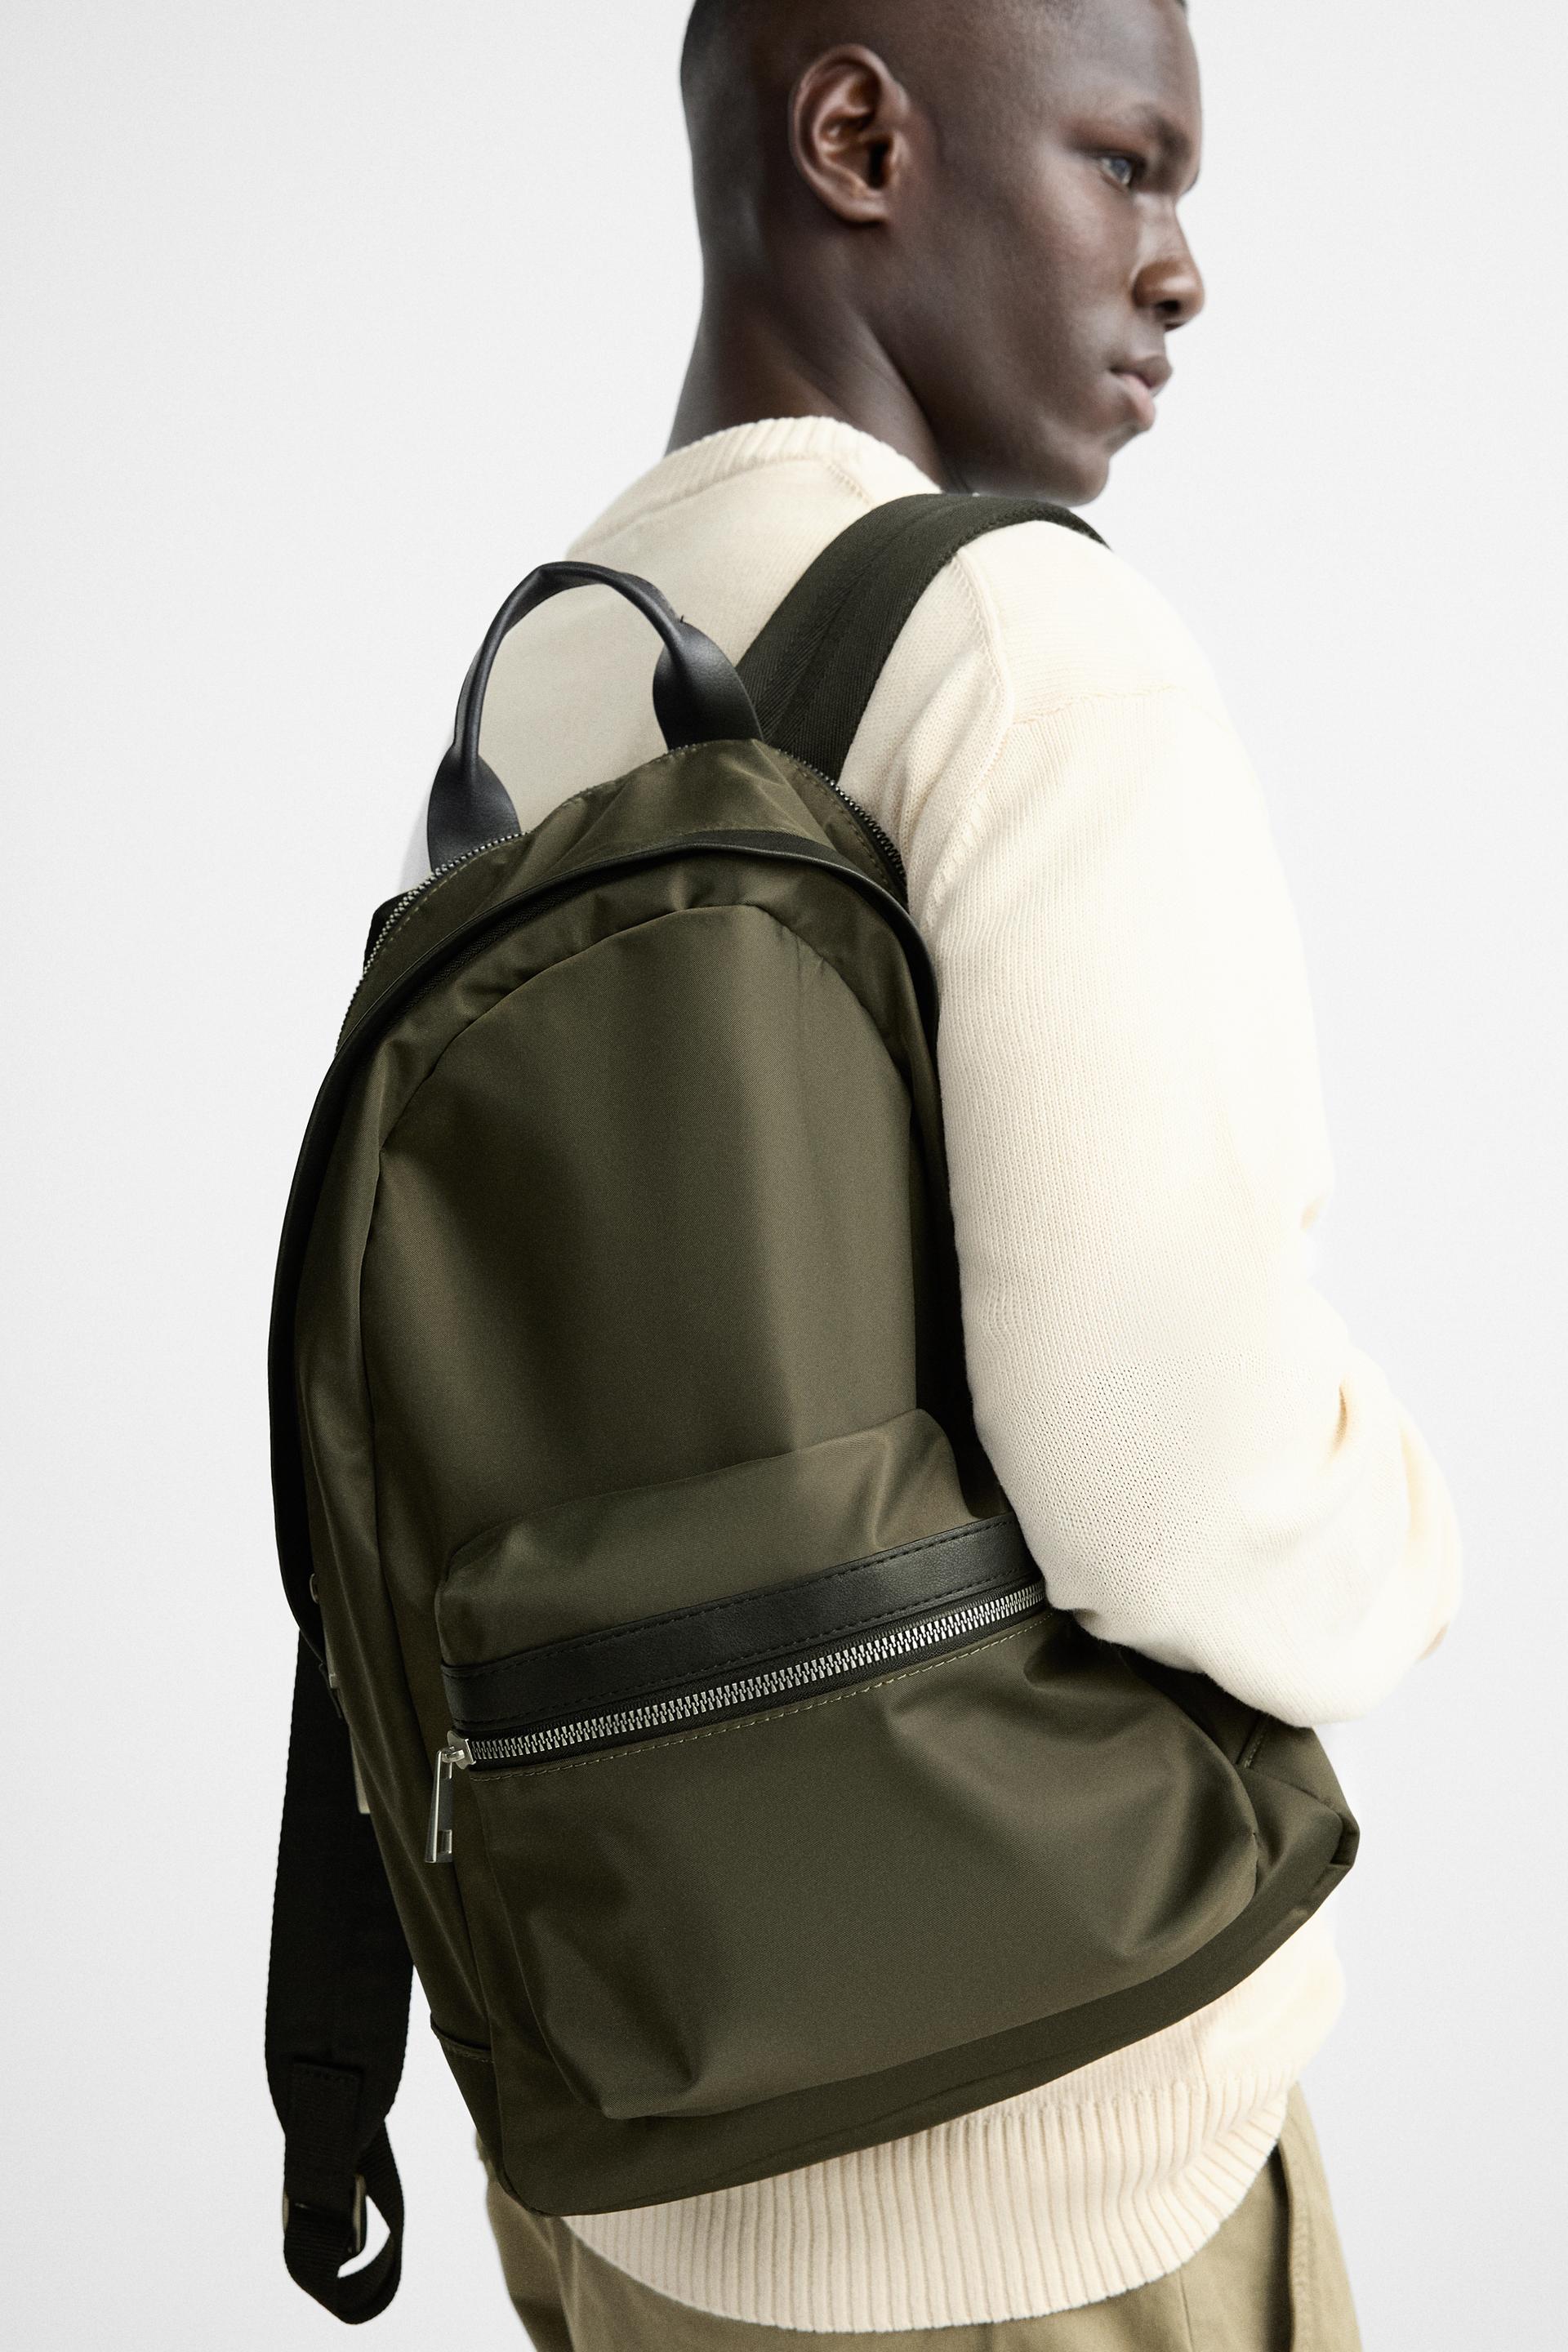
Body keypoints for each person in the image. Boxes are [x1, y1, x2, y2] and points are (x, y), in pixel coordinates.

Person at [470, 1, 1460, 2342]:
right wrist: (1414, 1534)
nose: (1181, 264)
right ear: (856, 135)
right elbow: (1164, 1472)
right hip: (1038, 2185)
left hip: (634, 2153)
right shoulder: (1020, 641)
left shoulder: (547, 666)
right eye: (1128, 163)